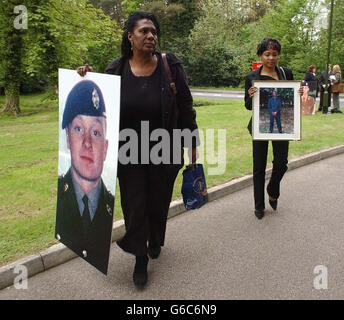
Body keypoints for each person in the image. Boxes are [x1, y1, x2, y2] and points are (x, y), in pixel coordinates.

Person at [78, 11, 199, 288]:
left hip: (165, 149)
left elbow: (186, 107)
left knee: (158, 203)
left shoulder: (171, 65)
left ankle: (156, 239)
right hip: (128, 152)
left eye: (154, 31)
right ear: (130, 36)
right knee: (135, 207)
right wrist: (84, 78)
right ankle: (140, 257)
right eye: (144, 31)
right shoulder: (115, 69)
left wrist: (192, 142)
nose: (150, 35)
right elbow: (97, 102)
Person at [55, 80, 114, 275]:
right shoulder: (59, 199)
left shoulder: (110, 204)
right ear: (67, 137)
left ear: (105, 149)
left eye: (96, 132)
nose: (87, 143)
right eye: (79, 129)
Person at [244, 38, 302, 220]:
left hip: (282, 126)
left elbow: (291, 100)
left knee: (281, 163)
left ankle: (272, 188)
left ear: (278, 55)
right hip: (260, 127)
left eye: (274, 54)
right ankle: (259, 206)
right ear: (260, 55)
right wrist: (249, 96)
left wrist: (298, 93)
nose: (271, 58)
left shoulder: (286, 73)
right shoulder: (251, 77)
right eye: (267, 54)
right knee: (258, 167)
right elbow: (247, 106)